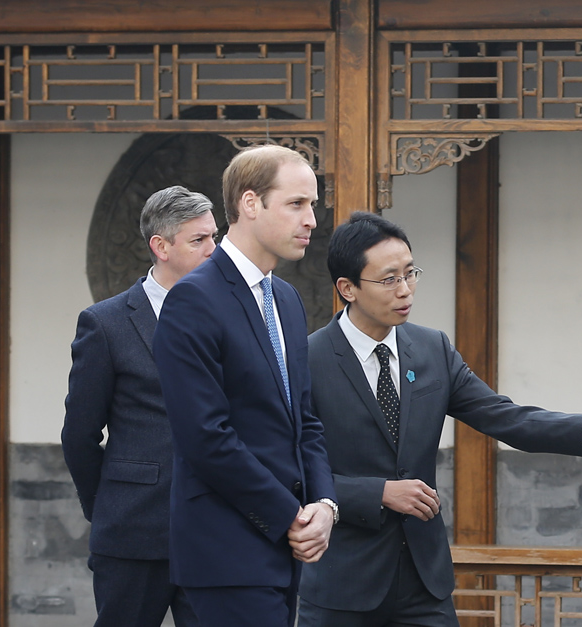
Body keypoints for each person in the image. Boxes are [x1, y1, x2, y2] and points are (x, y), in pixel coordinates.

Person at [298, 211, 582, 627]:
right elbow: (291, 471)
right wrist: (378, 493)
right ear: (347, 288)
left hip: (425, 585)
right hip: (343, 586)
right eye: (389, 279)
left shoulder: (431, 349)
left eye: (411, 273)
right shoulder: (305, 359)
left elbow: (502, 416)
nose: (405, 290)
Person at [151, 145, 338, 627]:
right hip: (226, 548)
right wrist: (288, 516)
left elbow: (306, 420)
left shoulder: (287, 299)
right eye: (297, 204)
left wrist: (324, 504)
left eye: (312, 205)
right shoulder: (193, 299)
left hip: (286, 546)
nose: (311, 220)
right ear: (251, 204)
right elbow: (205, 437)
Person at [62, 185, 219, 627]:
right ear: (161, 246)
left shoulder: (232, 315)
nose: (214, 249)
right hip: (132, 531)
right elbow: (79, 434)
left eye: (215, 236)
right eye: (199, 240)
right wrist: (108, 505)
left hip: (215, 531)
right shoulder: (105, 323)